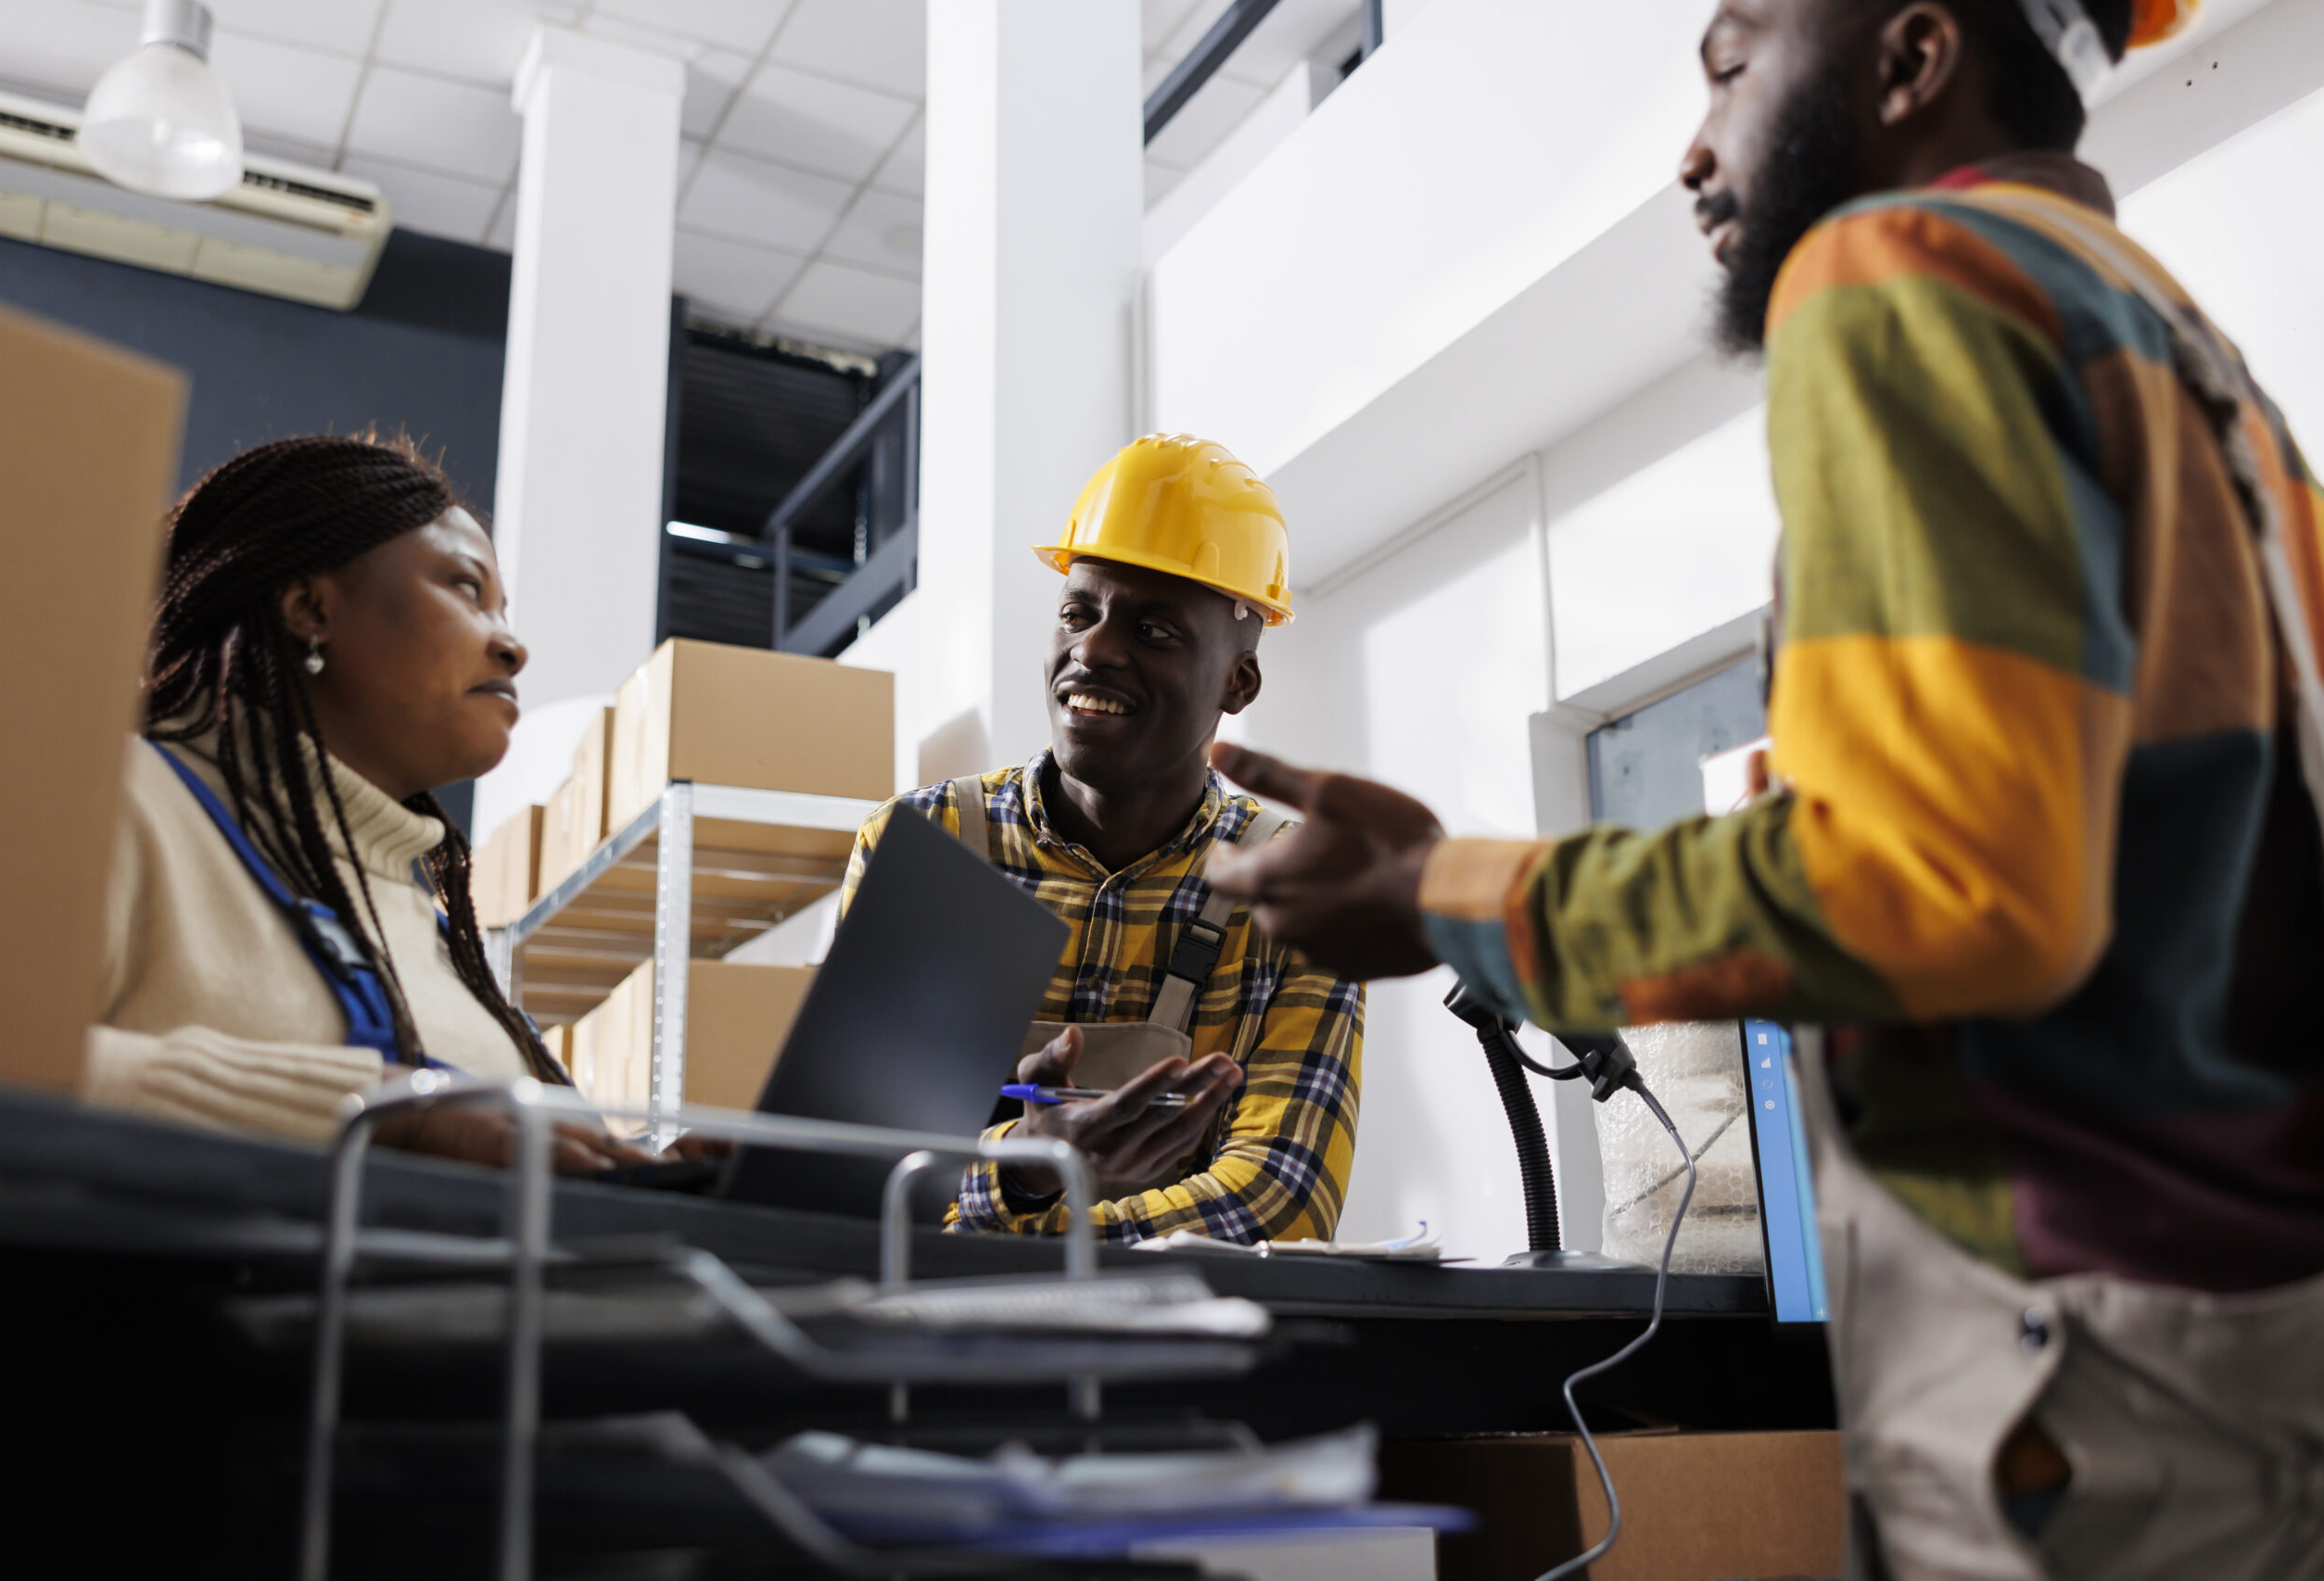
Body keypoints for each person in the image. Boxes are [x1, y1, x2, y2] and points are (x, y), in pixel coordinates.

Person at [1208, 1, 2324, 1576]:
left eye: (1730, 67)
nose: (1692, 149)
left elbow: (1947, 889)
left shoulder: (1903, 277)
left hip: (2078, 1380)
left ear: (1910, 58)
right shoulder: (2196, 369)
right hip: (2264, 1349)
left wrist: (1444, 891)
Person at [839, 434, 1363, 1244]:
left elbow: (1281, 1196)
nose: (1094, 649)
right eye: (1078, 613)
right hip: (931, 1347)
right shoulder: (926, 847)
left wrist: (1015, 1219)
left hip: (1179, 1355)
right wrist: (1024, 1163)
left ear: (1238, 682)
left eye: (1154, 632)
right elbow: (860, 1168)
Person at [87, 434, 653, 1174]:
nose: (512, 646)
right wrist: (374, 1115)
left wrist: (653, 1178)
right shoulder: (116, 803)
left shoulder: (434, 932)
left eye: (503, 608)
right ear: (309, 608)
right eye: (464, 588)